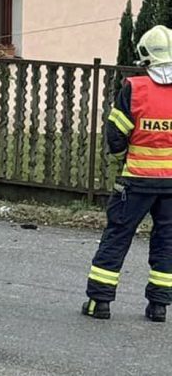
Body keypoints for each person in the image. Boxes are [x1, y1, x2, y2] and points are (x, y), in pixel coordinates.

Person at [82, 25, 172, 322]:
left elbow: (116, 132)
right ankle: (159, 307)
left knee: (118, 236)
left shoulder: (134, 88)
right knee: (167, 241)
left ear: (146, 58)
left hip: (136, 181)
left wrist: (122, 158)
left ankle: (100, 302)